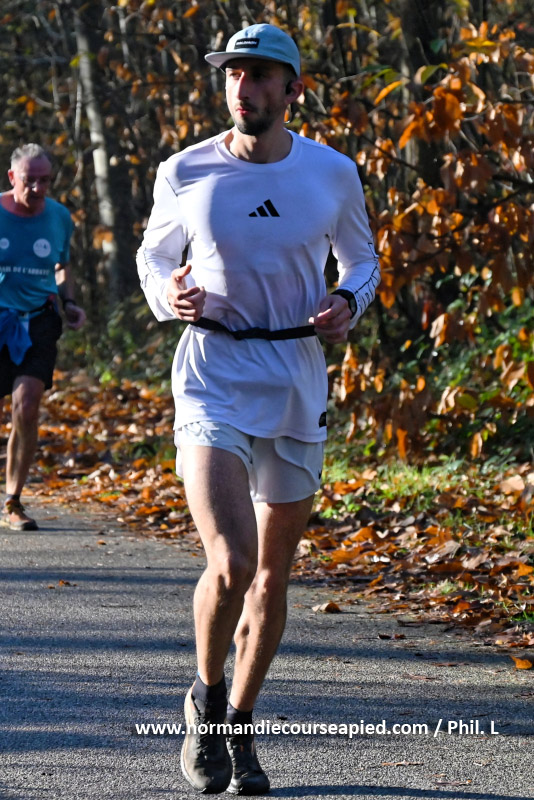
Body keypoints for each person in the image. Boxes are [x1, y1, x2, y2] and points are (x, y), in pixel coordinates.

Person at [137, 23, 380, 795]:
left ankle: (240, 720)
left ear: (292, 88)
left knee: (272, 579)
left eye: (261, 74)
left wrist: (347, 301)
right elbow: (153, 257)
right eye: (234, 73)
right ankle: (206, 699)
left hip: (296, 374)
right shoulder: (185, 170)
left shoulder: (332, 172)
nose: (243, 86)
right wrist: (168, 293)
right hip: (212, 368)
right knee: (232, 562)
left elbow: (363, 260)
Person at [0, 143, 85, 531]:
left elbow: (61, 266)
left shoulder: (59, 217)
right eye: (29, 180)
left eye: (44, 181)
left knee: (27, 404)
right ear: (12, 177)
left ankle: (13, 499)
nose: (37, 189)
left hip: (39, 319)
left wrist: (70, 302)